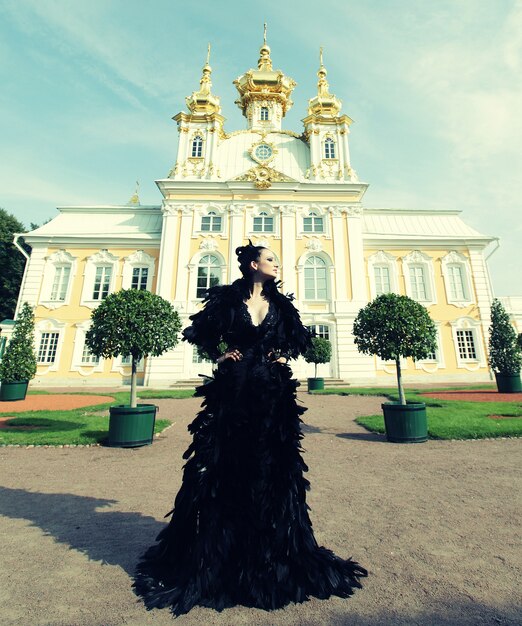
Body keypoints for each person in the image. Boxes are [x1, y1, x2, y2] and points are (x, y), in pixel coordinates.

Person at [134, 242, 367, 615]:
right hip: (235, 390)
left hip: (272, 393)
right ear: (254, 264)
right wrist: (220, 354)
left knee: (272, 468)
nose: (277, 264)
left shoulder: (281, 304)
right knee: (227, 466)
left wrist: (282, 354)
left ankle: (270, 554)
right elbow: (201, 332)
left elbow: (298, 339)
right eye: (271, 259)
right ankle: (221, 555)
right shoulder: (228, 299)